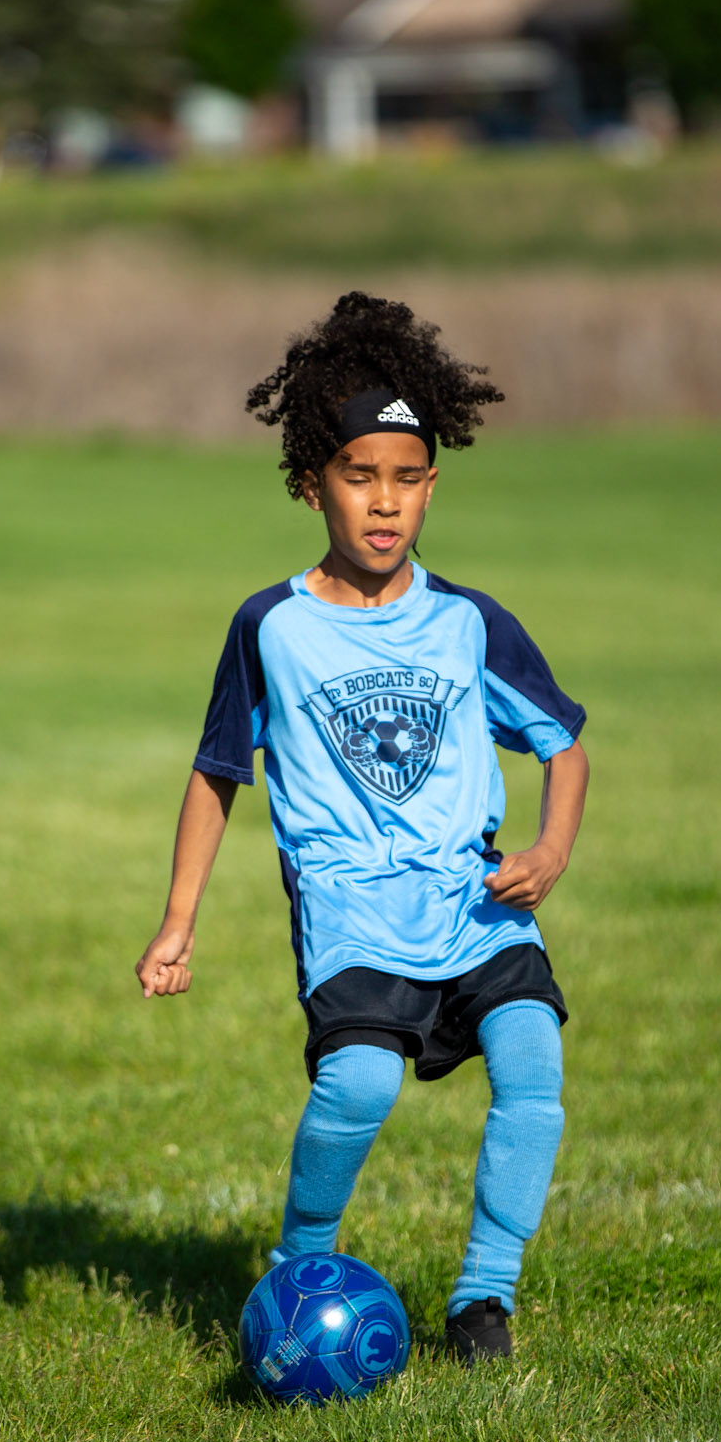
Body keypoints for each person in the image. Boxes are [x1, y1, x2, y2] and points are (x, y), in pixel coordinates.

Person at [136, 292, 589, 1364]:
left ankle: (482, 1300)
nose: (385, 502)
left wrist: (549, 850)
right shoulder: (272, 627)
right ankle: (298, 1269)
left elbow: (562, 743)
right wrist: (178, 920)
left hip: (474, 898)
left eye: (408, 477)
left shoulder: (469, 621)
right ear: (312, 484)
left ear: (432, 485)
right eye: (359, 475)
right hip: (351, 907)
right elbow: (216, 772)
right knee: (359, 1082)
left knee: (534, 1067)